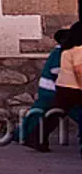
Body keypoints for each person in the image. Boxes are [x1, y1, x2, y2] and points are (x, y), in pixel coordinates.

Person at [34, 22, 82, 152]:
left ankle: (37, 138)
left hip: (63, 87)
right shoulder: (77, 50)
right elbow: (78, 70)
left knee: (55, 114)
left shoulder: (65, 49)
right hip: (74, 87)